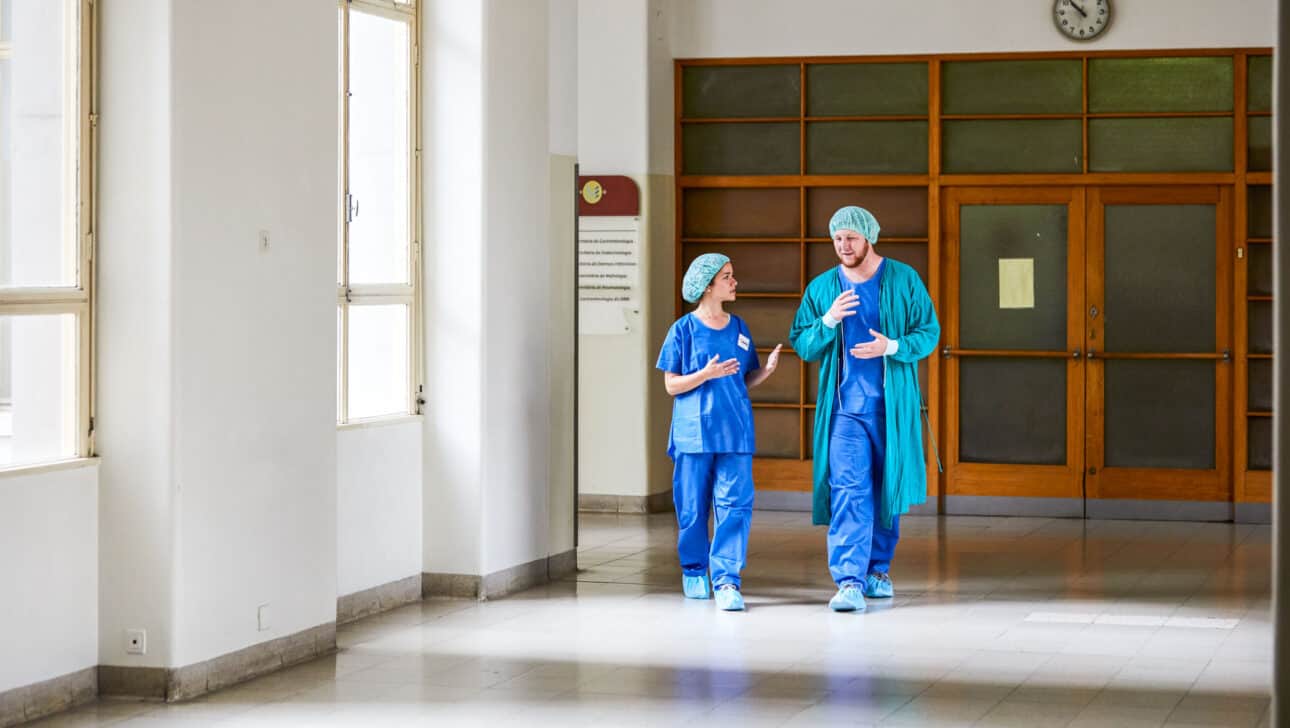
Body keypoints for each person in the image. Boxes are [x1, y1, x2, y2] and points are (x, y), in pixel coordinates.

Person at [789, 206, 940, 612]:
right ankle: (849, 581)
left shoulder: (904, 279)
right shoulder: (823, 288)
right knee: (849, 492)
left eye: (851, 238)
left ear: (869, 237)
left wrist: (890, 347)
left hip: (891, 407)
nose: (843, 246)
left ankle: (878, 570)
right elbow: (802, 344)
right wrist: (828, 320)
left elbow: (929, 332)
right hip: (844, 411)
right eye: (837, 239)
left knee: (885, 491)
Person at [657, 253, 782, 612]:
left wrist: (767, 372)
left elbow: (743, 377)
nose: (734, 282)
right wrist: (703, 376)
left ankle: (727, 580)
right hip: (694, 434)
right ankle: (695, 570)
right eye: (727, 277)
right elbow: (671, 385)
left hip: (735, 432)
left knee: (735, 507)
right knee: (693, 508)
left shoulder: (739, 327)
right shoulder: (682, 330)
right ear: (708, 284)